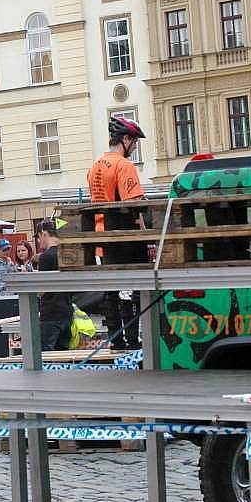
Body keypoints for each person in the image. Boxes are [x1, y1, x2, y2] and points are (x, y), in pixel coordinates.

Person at [87, 116, 146, 349]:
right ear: (125, 139)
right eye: (134, 142)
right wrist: (144, 229)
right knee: (130, 291)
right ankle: (132, 340)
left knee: (110, 291)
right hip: (124, 239)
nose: (134, 148)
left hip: (101, 238)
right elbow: (135, 203)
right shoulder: (125, 166)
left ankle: (114, 340)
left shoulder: (95, 166)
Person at [36, 219, 74, 351]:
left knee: (47, 355)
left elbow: (42, 290)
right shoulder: (68, 254)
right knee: (63, 355)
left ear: (44, 233)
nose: (38, 241)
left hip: (51, 313)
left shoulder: (45, 257)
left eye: (39, 237)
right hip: (67, 311)